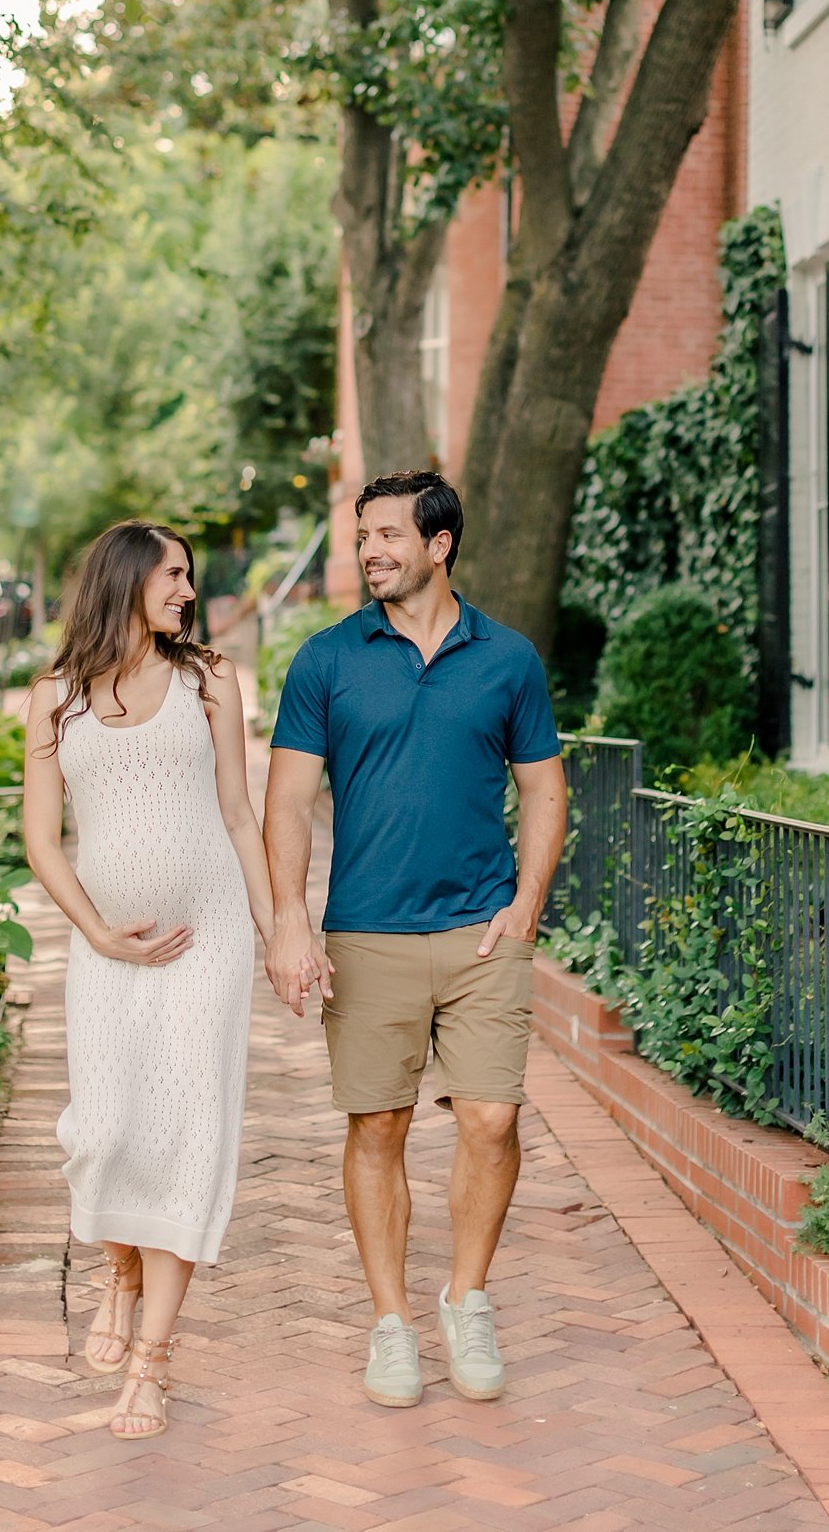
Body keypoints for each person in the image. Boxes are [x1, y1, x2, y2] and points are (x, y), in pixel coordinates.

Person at [263, 470, 568, 1410]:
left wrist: (525, 906)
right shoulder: (326, 660)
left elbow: (546, 789)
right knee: (379, 1126)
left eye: (389, 535)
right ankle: (392, 1323)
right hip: (367, 936)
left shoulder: (508, 659)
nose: (371, 552)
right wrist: (288, 917)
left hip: (481, 932)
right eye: (363, 538)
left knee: (491, 1120)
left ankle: (466, 1299)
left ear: (440, 545)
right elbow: (286, 799)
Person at [23, 519, 275, 1440]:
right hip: (106, 952)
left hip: (203, 940)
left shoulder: (210, 679)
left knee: (187, 1132)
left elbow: (240, 818)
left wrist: (278, 925)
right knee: (107, 1128)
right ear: (126, 578)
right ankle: (119, 1268)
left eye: (188, 576)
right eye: (173, 573)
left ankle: (152, 1362)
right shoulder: (55, 695)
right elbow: (42, 840)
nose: (186, 590)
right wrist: (96, 932)